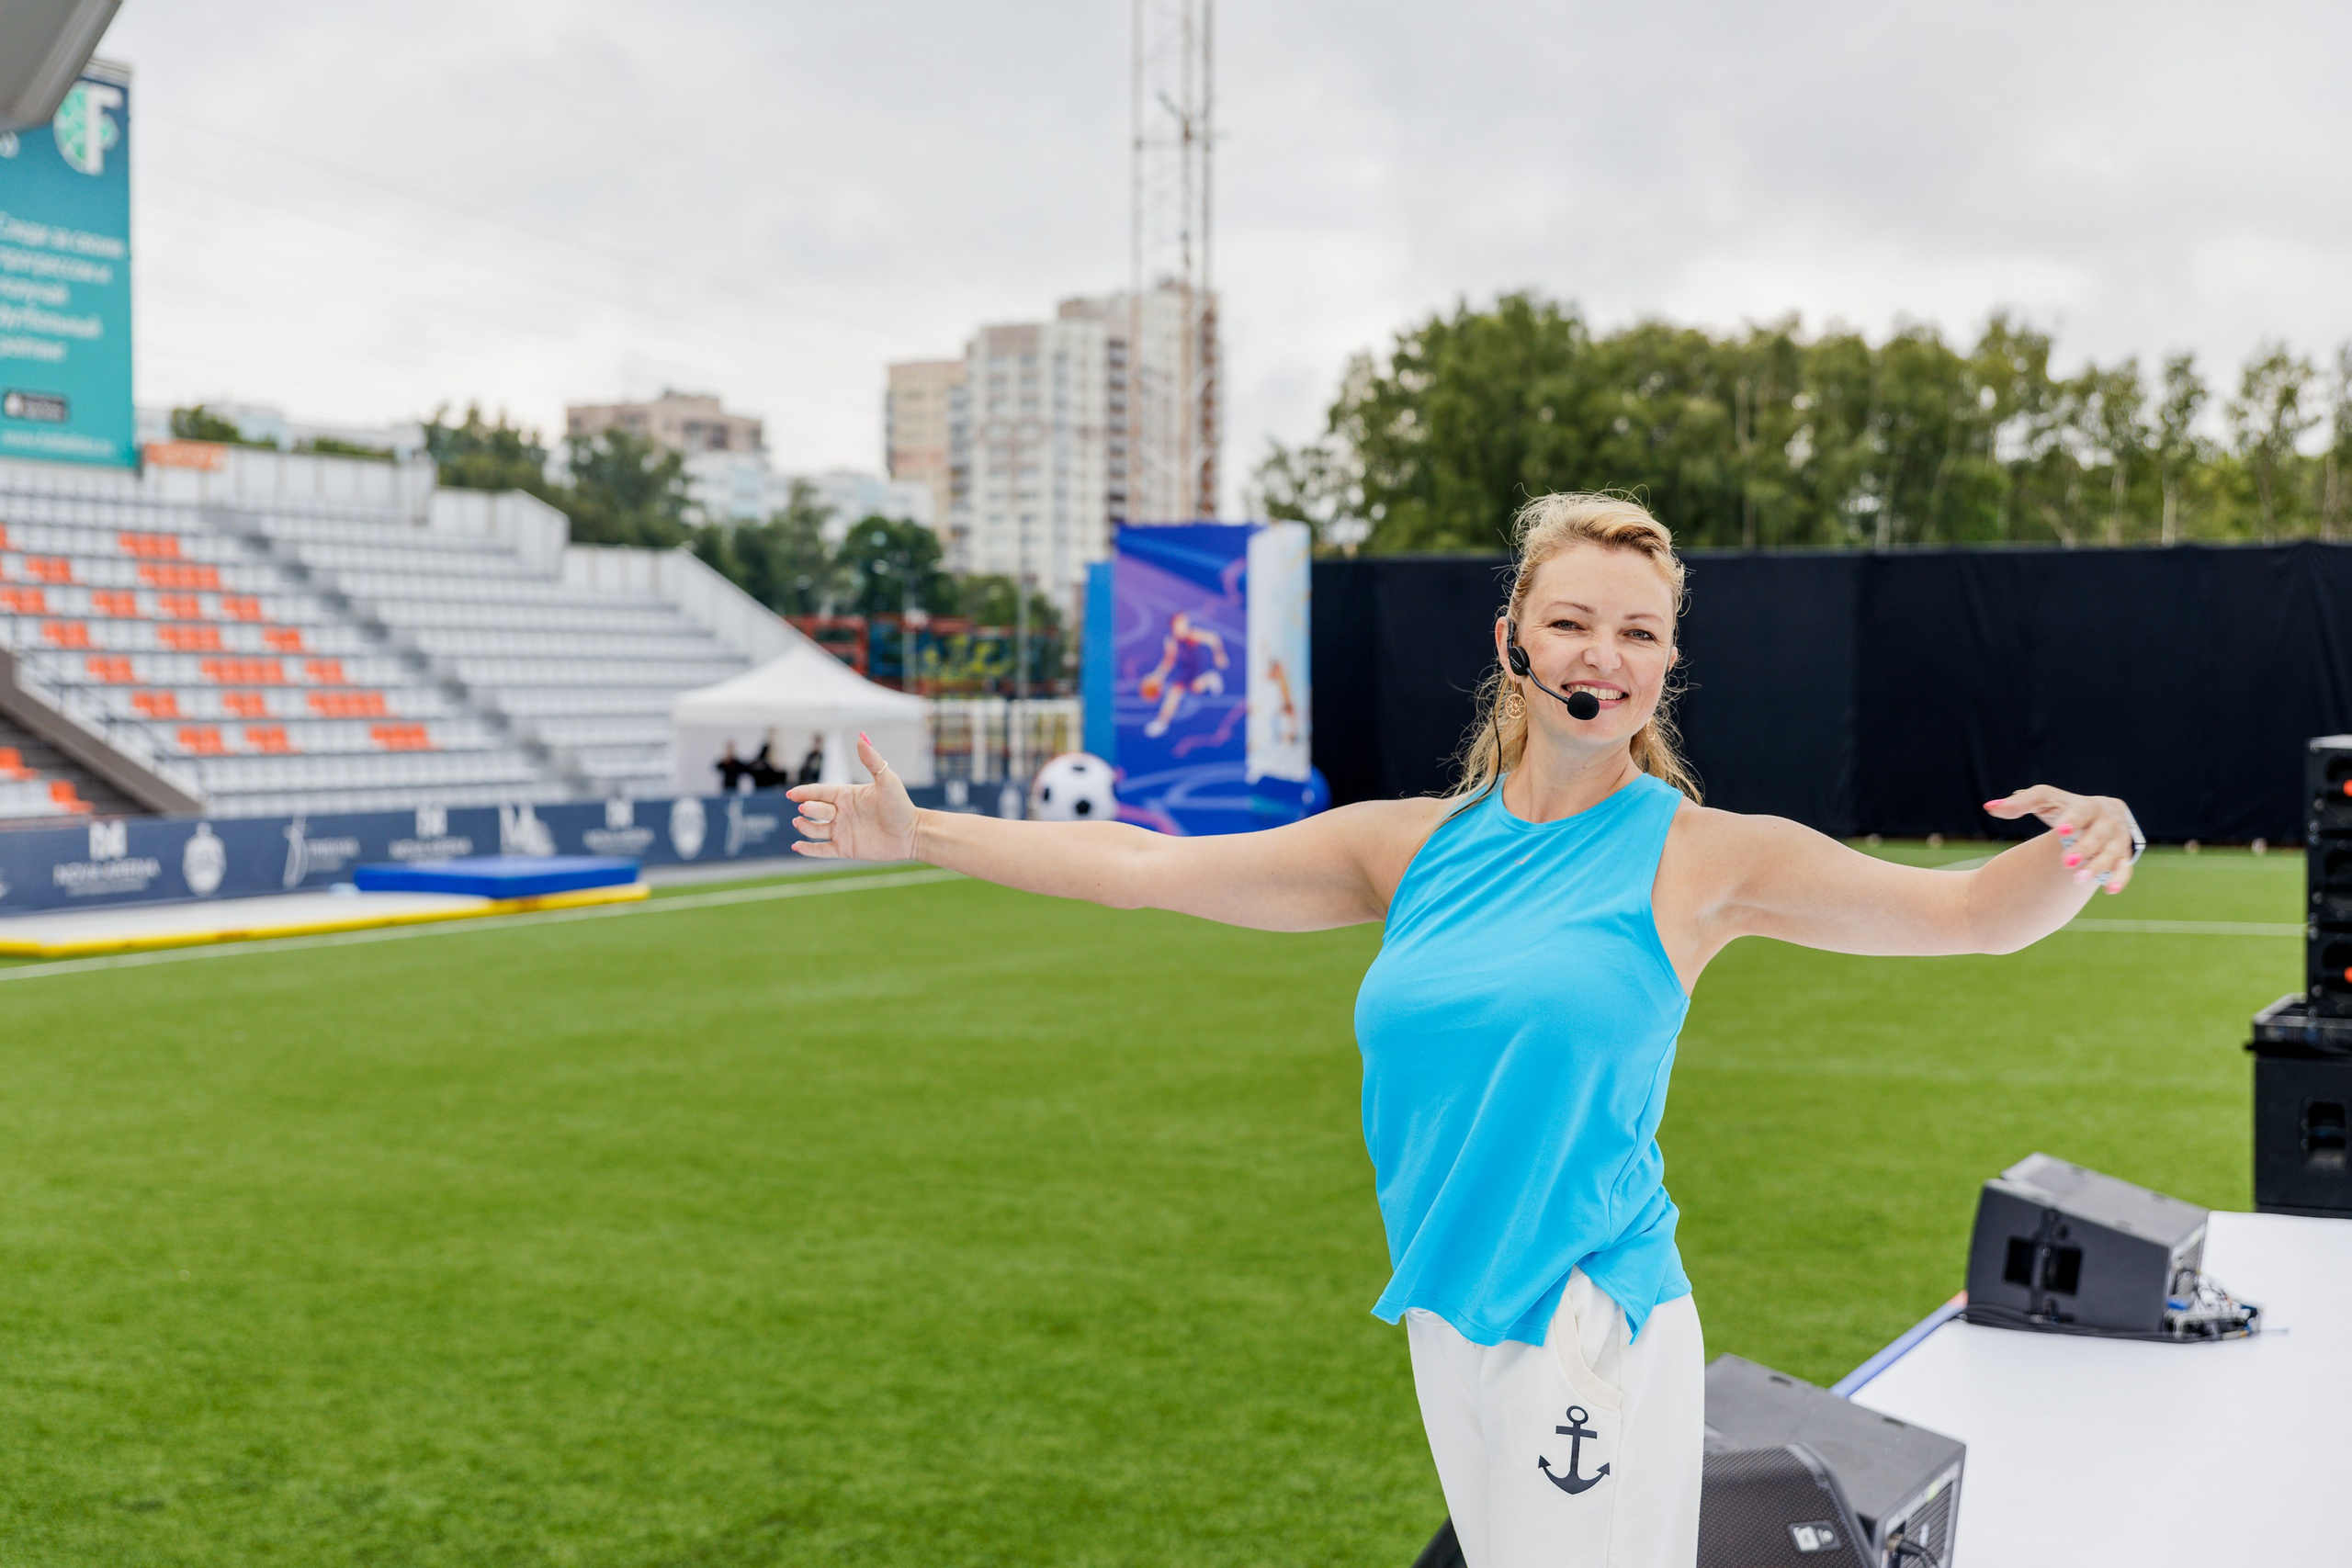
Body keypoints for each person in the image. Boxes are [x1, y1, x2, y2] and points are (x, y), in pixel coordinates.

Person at [785, 492, 2143, 1568]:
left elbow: (1969, 914)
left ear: (1666, 667)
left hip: (1583, 1317)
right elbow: (1143, 868)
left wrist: (2094, 841)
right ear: (1515, 639)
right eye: (1572, 623)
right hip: (1451, 1312)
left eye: (1638, 633)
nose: (1602, 655)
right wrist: (920, 834)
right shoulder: (1405, 848)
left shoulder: (1703, 857)